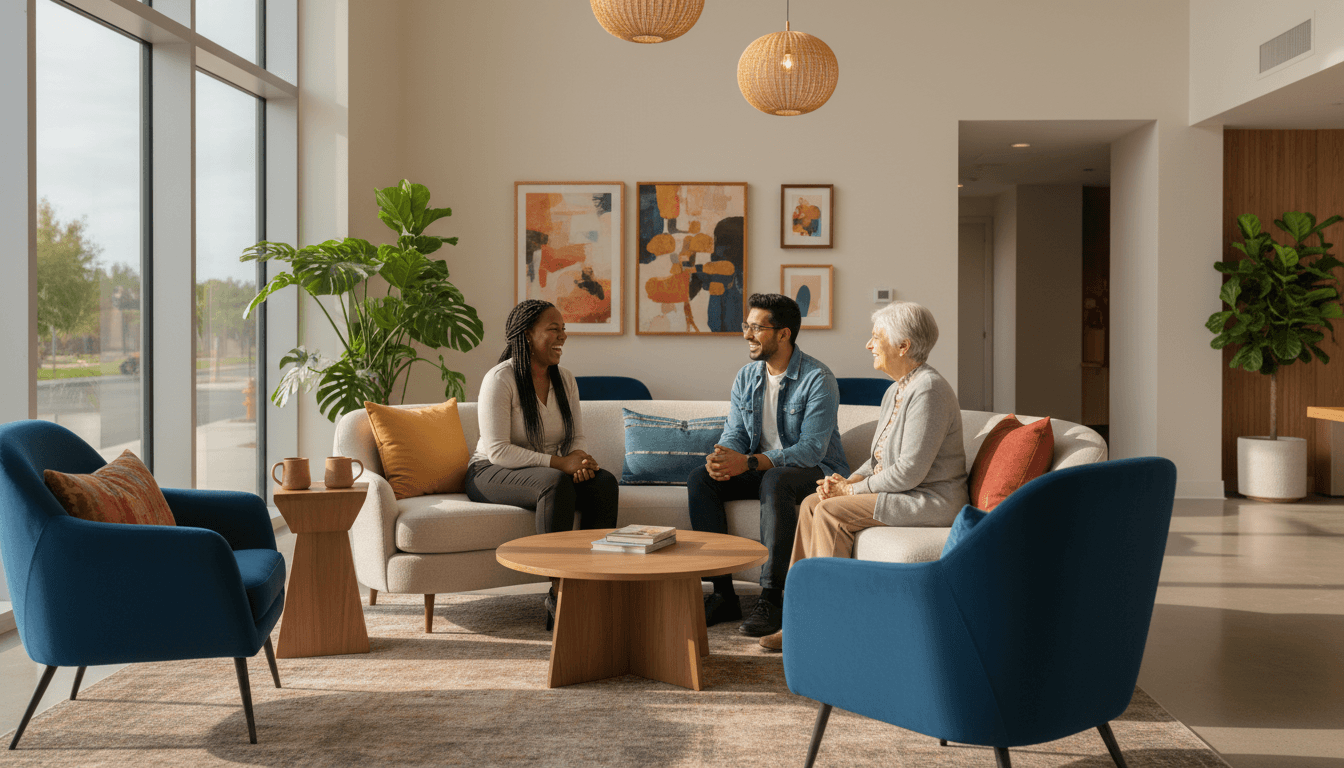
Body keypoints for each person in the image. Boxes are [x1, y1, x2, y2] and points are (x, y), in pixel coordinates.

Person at [759, 300, 969, 651]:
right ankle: (797, 618)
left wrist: (849, 493)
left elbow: (908, 473)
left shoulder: (929, 391)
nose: (869, 345)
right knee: (813, 502)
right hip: (904, 491)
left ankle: (827, 626)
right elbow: (877, 460)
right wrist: (846, 482)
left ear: (903, 346)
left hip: (929, 500)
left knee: (830, 511)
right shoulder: (896, 389)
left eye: (876, 337)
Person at [688, 293, 849, 638]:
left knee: (775, 480)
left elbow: (810, 450)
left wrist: (746, 462)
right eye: (747, 325)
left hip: (814, 472)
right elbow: (734, 433)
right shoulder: (747, 377)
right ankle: (722, 594)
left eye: (756, 327)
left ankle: (773, 598)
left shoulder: (818, 378)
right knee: (701, 479)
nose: (746, 334)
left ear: (783, 334)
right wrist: (722, 459)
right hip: (762, 469)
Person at [466, 299, 620, 628]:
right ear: (526, 335)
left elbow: (576, 436)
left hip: (551, 469)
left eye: (563, 329)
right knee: (555, 483)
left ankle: (595, 585)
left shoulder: (564, 379)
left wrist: (579, 459)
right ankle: (559, 592)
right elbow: (497, 450)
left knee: (603, 482)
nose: (563, 336)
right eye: (553, 329)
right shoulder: (500, 379)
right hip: (490, 472)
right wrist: (560, 464)